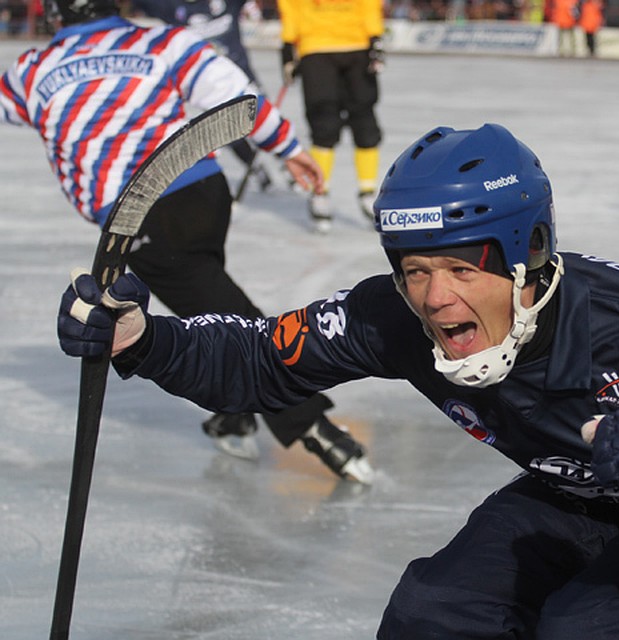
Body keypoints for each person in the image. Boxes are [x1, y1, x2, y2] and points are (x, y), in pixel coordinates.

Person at [58, 123, 619, 638]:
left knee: (588, 631)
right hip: (592, 485)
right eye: (413, 269)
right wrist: (140, 335)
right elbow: (262, 361)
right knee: (435, 613)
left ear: (529, 253)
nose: (435, 298)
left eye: (459, 267)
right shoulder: (401, 316)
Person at [1, 0, 373, 483]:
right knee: (208, 304)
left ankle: (311, 425)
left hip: (136, 213)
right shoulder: (160, 41)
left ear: (55, 15)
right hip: (202, 193)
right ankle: (235, 412)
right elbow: (236, 96)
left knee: (224, 310)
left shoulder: (32, 69)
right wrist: (287, 148)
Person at [130, 0, 273, 199]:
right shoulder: (174, 8)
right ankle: (254, 165)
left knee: (268, 119)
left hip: (243, 77)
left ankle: (287, 165)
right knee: (231, 130)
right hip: (212, 84)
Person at [277, 0, 385, 232]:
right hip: (316, 47)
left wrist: (375, 35)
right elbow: (291, 7)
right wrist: (288, 45)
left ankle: (368, 191)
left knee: (365, 121)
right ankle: (320, 191)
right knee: (324, 124)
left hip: (357, 43)